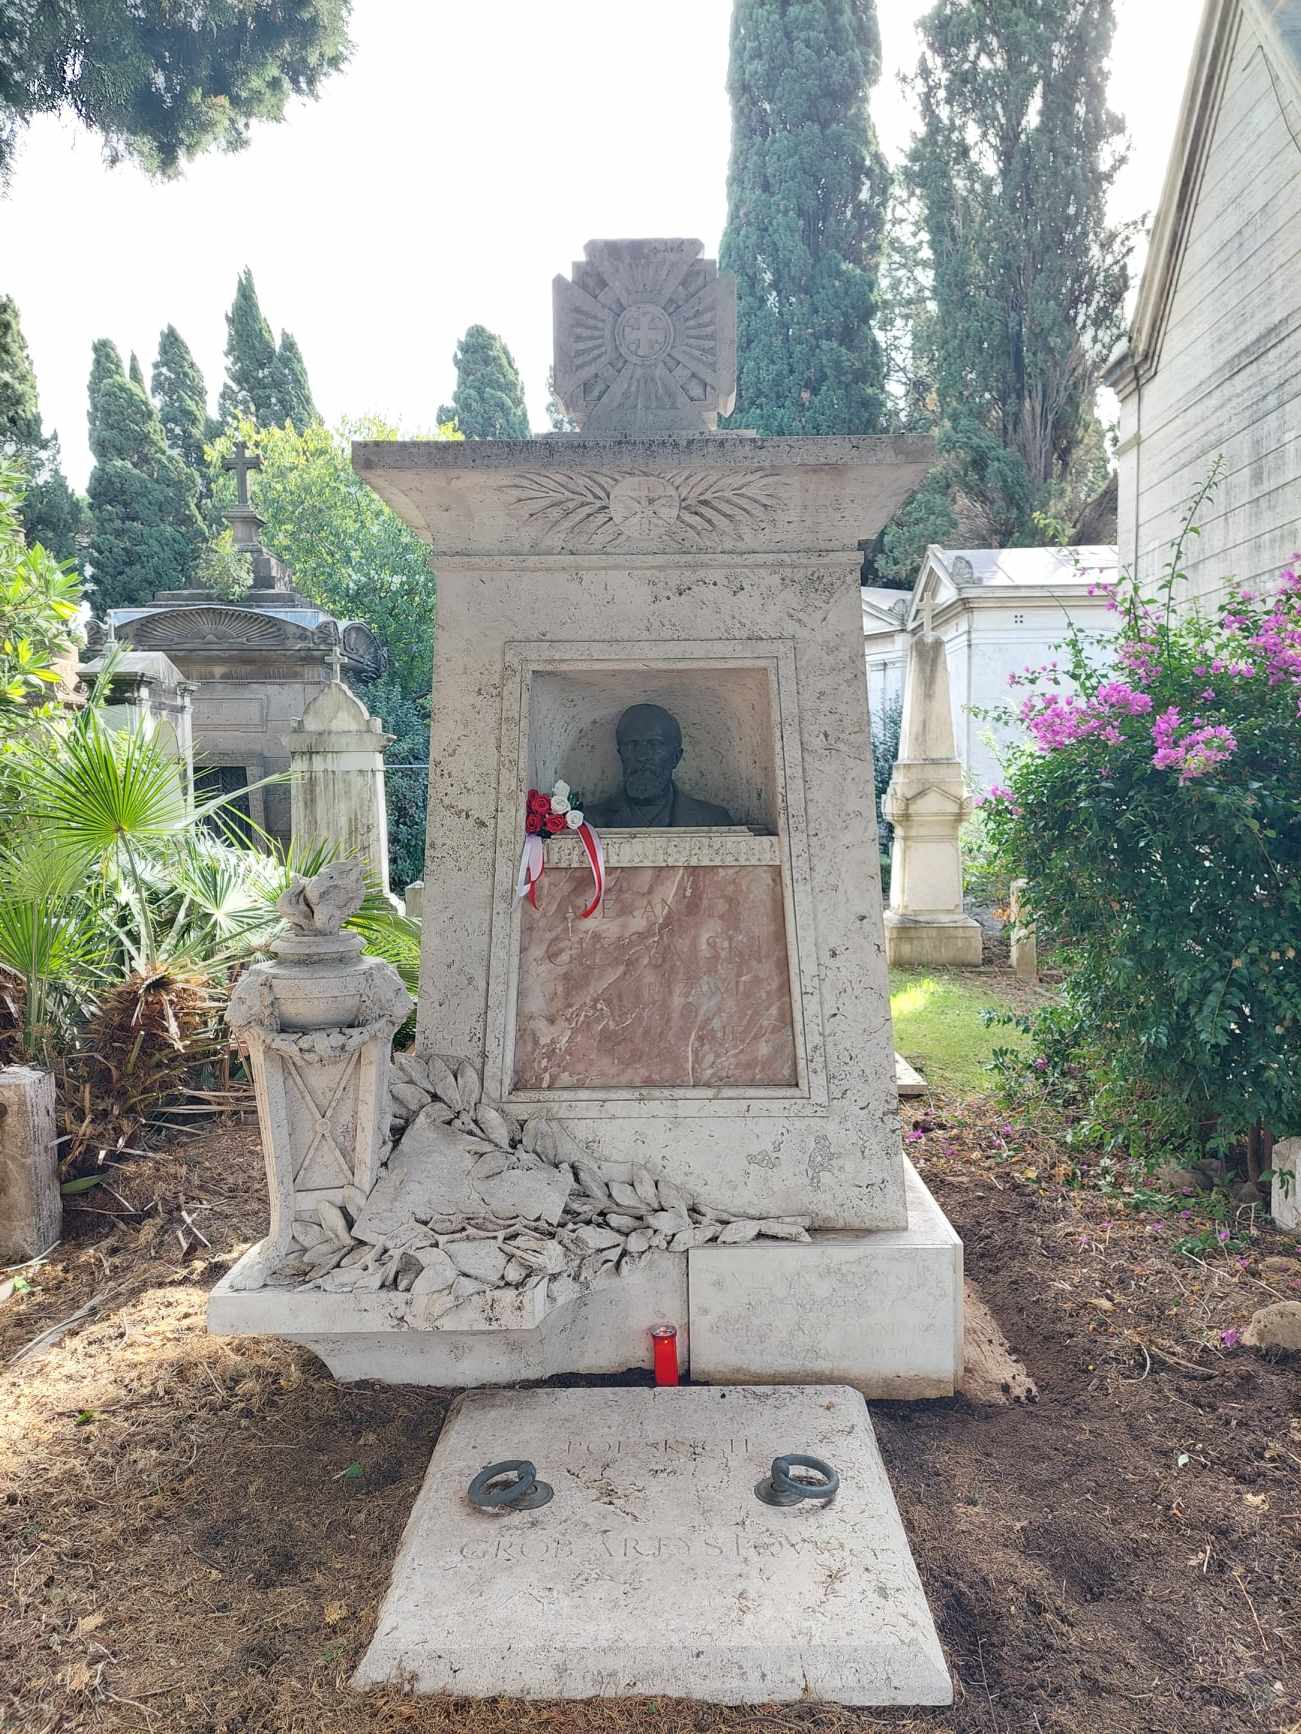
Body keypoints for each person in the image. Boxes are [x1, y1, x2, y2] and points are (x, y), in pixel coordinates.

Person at [583, 702, 735, 829]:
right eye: (632, 744)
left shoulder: (713, 821)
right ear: (621, 754)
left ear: (676, 757)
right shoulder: (589, 822)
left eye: (654, 744)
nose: (642, 755)